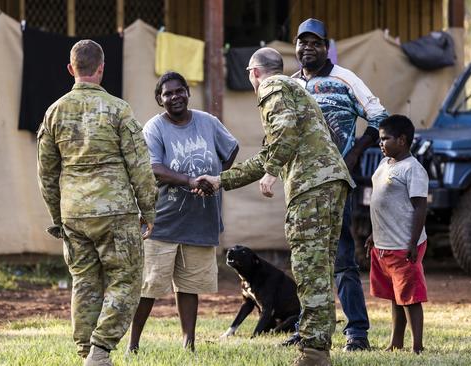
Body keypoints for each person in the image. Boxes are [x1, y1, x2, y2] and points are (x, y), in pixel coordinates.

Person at [196, 48, 354, 366]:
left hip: (311, 185)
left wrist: (272, 171)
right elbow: (267, 155)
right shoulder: (295, 89)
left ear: (255, 72)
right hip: (330, 181)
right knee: (319, 268)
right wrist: (219, 180)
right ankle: (318, 348)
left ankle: (312, 352)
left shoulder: (272, 86)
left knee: (309, 270)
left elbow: (284, 135)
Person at [36, 40, 157, 366]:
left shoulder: (54, 112)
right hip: (115, 212)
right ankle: (100, 351)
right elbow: (140, 166)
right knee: (126, 280)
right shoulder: (119, 110)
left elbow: (46, 174)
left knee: (85, 283)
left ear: (71, 69)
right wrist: (148, 210)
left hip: (74, 214)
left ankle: (84, 353)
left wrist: (58, 217)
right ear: (102, 69)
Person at [284, 18, 389, 351]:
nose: (308, 48)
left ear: (326, 46)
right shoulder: (290, 85)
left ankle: (356, 331)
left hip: (337, 184)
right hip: (300, 185)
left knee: (342, 257)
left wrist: (356, 153)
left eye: (315, 42)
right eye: (303, 42)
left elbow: (379, 117)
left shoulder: (345, 79)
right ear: (296, 46)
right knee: (306, 259)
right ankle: (308, 328)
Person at [127, 71, 239, 353]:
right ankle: (133, 344)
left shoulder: (208, 122)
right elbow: (153, 167)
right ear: (159, 99)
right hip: (162, 220)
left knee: (189, 286)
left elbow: (232, 149)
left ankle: (189, 344)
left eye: (180, 91)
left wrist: (216, 180)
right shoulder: (154, 128)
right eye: (168, 93)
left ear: (188, 92)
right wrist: (191, 181)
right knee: (149, 286)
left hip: (201, 219)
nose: (175, 97)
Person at [365, 114, 428, 354]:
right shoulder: (385, 164)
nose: (380, 143)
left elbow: (420, 207)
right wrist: (373, 233)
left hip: (403, 244)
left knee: (410, 297)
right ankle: (395, 342)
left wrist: (412, 243)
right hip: (384, 243)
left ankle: (417, 347)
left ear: (402, 140)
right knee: (396, 295)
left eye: (385, 139)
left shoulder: (413, 169)